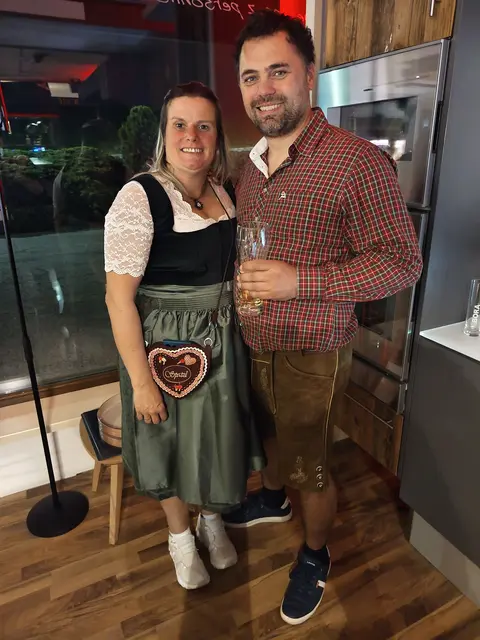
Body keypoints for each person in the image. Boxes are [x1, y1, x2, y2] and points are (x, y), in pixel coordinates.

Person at [223, 10, 423, 626]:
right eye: (251, 77)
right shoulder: (250, 164)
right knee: (269, 436)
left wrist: (298, 281)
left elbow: (402, 264)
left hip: (313, 349)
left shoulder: (357, 161)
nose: (263, 89)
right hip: (255, 337)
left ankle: (314, 554)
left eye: (278, 72)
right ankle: (273, 499)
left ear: (309, 75)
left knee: (311, 467)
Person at [104, 82, 264, 590]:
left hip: (223, 341)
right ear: (164, 133)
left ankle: (211, 519)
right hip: (165, 346)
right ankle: (179, 537)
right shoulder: (140, 198)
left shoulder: (224, 192)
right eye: (180, 124)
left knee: (215, 438)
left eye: (204, 126)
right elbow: (118, 300)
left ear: (217, 137)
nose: (191, 136)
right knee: (169, 442)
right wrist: (141, 384)